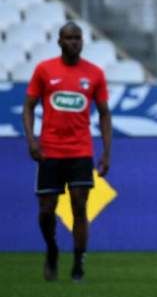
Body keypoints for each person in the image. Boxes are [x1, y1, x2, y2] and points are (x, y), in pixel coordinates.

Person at [24, 22, 111, 282]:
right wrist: (32, 141)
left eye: (78, 38)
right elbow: (28, 107)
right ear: (59, 41)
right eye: (69, 38)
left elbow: (105, 114)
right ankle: (52, 250)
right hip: (49, 150)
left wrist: (106, 152)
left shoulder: (94, 74)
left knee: (79, 206)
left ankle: (78, 262)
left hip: (80, 150)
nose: (74, 42)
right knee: (46, 210)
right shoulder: (44, 70)